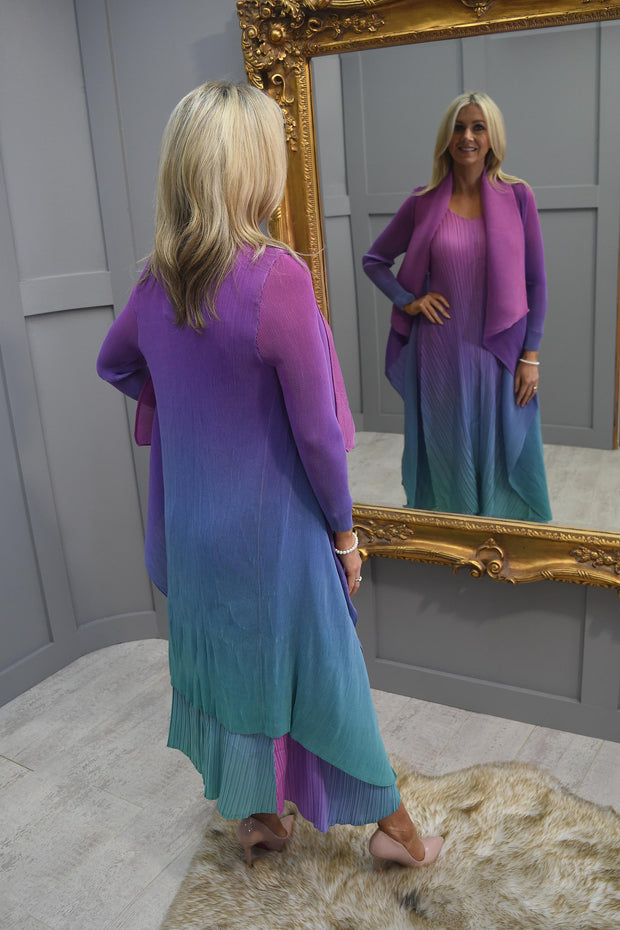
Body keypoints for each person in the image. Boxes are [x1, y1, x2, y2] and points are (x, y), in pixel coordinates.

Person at [97, 81, 443, 871]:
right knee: (327, 676)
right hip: (272, 535)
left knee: (234, 669)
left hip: (192, 532)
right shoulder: (274, 275)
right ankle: (396, 832)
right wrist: (346, 535)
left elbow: (114, 362)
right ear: (251, 165)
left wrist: (182, 404)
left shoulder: (157, 281)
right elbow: (317, 436)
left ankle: (262, 817)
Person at [363, 92, 552, 522]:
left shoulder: (518, 197)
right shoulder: (422, 201)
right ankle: (452, 537)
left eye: (478, 127)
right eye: (459, 127)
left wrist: (531, 356)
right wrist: (408, 301)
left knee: (504, 450)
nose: (467, 136)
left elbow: (536, 281)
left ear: (492, 137)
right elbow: (374, 261)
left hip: (499, 351)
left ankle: (502, 540)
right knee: (447, 449)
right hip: (439, 353)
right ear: (447, 138)